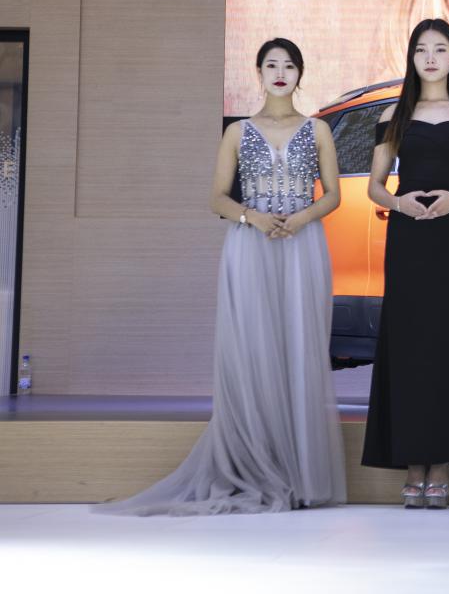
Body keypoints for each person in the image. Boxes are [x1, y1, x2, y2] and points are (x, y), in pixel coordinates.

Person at [98, 39, 346, 515]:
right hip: (249, 247)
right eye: (271, 64)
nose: (280, 72)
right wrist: (254, 217)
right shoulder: (237, 131)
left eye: (288, 65)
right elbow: (216, 198)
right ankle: (254, 467)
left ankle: (299, 476)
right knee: (252, 352)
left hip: (303, 247)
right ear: (258, 72)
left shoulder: (318, 130)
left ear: (300, 74)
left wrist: (299, 219)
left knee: (298, 349)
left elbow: (333, 195)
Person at [361, 19, 449, 508]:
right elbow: (376, 186)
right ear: (412, 57)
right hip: (408, 237)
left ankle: (441, 466)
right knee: (410, 348)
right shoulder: (394, 115)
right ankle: (412, 465)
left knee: (447, 346)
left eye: (441, 49)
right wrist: (400, 204)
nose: (431, 57)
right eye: (422, 49)